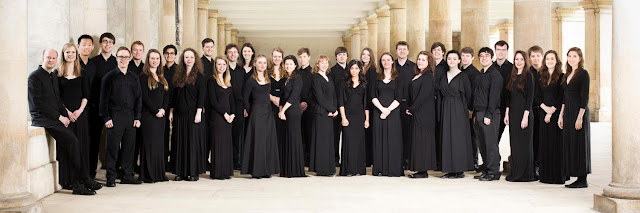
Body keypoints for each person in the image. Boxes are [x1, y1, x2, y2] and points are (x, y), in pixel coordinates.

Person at [29, 48, 100, 195]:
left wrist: (64, 113)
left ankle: (81, 180)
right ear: (42, 58)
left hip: (53, 118)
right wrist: (60, 117)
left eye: (53, 58)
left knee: (73, 143)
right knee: (72, 141)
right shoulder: (34, 77)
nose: (51, 60)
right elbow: (38, 103)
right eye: (48, 57)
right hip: (43, 119)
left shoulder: (51, 76)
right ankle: (80, 181)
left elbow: (57, 100)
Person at [100, 46, 143, 187]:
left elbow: (138, 99)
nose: (123, 59)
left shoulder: (134, 78)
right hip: (114, 116)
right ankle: (111, 177)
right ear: (116, 58)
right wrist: (106, 118)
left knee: (129, 148)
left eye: (126, 57)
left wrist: (137, 117)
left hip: (130, 117)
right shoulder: (109, 77)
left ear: (129, 58)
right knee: (112, 149)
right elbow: (103, 100)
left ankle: (126, 175)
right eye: (120, 57)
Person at [169, 48, 207, 182]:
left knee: (192, 144)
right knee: (179, 143)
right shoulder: (178, 75)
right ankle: (180, 172)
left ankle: (193, 172)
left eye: (191, 57)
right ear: (183, 59)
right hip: (179, 115)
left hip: (193, 115)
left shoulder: (199, 77)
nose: (189, 59)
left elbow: (202, 96)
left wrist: (198, 113)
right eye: (186, 57)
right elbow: (174, 95)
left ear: (195, 59)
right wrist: (171, 110)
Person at [57, 43, 91, 189]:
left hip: (79, 115)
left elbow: (86, 95)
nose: (70, 55)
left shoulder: (82, 73)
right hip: (65, 116)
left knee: (81, 146)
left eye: (72, 52)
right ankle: (68, 180)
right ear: (63, 55)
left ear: (76, 54)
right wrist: (67, 112)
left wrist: (79, 110)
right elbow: (57, 98)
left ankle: (81, 178)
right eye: (67, 52)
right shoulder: (57, 74)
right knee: (67, 148)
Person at [242, 54, 281, 179]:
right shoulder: (251, 80)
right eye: (260, 62)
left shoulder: (268, 79)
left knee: (267, 141)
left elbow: (267, 95)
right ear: (255, 64)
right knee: (257, 141)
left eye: (264, 63)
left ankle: (267, 169)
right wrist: (250, 111)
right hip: (256, 113)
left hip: (268, 112)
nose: (262, 65)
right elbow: (245, 98)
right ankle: (257, 171)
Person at [558, 47, 591, 188]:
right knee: (571, 143)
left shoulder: (583, 74)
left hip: (579, 112)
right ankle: (575, 174)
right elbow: (565, 98)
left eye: (574, 56)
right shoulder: (567, 74)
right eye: (569, 56)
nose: (571, 58)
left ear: (580, 58)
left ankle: (582, 178)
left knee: (580, 143)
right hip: (568, 112)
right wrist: (561, 115)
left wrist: (579, 118)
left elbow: (585, 97)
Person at [438, 50, 473, 179]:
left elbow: (468, 95)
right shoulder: (443, 76)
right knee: (447, 137)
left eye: (454, 59)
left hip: (459, 109)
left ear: (459, 61)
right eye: (449, 59)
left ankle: (459, 170)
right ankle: (449, 169)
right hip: (445, 108)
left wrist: (466, 110)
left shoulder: (463, 76)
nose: (451, 61)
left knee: (458, 138)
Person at [504, 50, 536, 182]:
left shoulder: (528, 76)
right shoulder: (511, 76)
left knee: (525, 145)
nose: (518, 62)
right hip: (513, 114)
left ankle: (526, 174)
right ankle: (516, 172)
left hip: (525, 114)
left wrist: (525, 117)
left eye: (521, 59)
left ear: (525, 61)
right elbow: (508, 97)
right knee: (515, 144)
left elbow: (530, 98)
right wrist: (507, 114)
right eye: (516, 59)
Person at [88, 32, 117, 179]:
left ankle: (112, 172)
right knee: (94, 140)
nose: (107, 44)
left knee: (113, 141)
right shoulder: (93, 62)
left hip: (112, 109)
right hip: (95, 108)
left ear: (113, 45)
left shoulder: (116, 62)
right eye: (105, 41)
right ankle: (91, 172)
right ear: (100, 44)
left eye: (110, 42)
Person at [139, 49, 170, 183]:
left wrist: (163, 109)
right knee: (149, 145)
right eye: (152, 58)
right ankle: (148, 175)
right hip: (149, 116)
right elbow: (144, 97)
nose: (155, 61)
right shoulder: (143, 77)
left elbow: (166, 96)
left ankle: (159, 174)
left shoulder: (162, 77)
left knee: (158, 145)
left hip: (160, 117)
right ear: (148, 60)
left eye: (157, 58)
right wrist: (155, 111)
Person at [371, 52, 403, 177]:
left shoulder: (398, 78)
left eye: (388, 60)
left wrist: (388, 110)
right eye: (383, 60)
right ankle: (380, 169)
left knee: (393, 141)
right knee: (379, 141)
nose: (386, 62)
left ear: (392, 62)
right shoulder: (376, 77)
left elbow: (399, 97)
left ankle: (392, 169)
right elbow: (372, 96)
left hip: (393, 113)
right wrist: (382, 109)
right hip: (378, 113)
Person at [473, 47, 503, 181]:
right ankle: (486, 169)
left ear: (491, 57)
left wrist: (488, 115)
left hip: (489, 114)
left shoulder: (495, 75)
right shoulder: (480, 74)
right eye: (481, 56)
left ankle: (493, 172)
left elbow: (494, 97)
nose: (483, 58)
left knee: (491, 144)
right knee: (482, 144)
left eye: (486, 56)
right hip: (478, 113)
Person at [535, 50, 565, 184]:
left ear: (557, 61)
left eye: (552, 59)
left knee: (556, 144)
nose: (550, 61)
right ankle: (546, 176)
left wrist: (551, 111)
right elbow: (537, 96)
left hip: (557, 113)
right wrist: (545, 109)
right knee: (545, 144)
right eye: (547, 59)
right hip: (543, 112)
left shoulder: (562, 76)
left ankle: (557, 176)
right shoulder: (541, 76)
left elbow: (562, 96)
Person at [406, 51, 437, 178]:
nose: (420, 62)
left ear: (429, 62)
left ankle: (423, 171)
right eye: (419, 59)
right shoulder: (418, 75)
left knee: (423, 141)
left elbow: (422, 96)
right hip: (417, 112)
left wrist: (412, 109)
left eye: (423, 60)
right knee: (417, 141)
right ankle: (418, 169)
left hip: (424, 114)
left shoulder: (428, 77)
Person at [338, 59, 369, 176]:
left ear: (360, 69)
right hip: (348, 115)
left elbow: (366, 103)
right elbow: (340, 102)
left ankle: (358, 169)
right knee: (348, 142)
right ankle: (348, 170)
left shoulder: (364, 84)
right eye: (352, 68)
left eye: (356, 68)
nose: (354, 70)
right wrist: (343, 118)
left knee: (359, 142)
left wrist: (367, 119)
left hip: (360, 116)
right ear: (349, 69)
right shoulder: (343, 83)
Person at [278, 55, 307, 178]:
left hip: (293, 111)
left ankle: (294, 170)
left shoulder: (297, 78)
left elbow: (294, 96)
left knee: (293, 138)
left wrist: (283, 110)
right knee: (287, 138)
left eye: (291, 64)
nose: (288, 66)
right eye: (286, 64)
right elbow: (282, 96)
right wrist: (281, 110)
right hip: (285, 112)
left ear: (295, 65)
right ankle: (286, 168)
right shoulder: (286, 78)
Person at [207, 56, 235, 180]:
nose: (221, 67)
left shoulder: (227, 81)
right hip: (217, 117)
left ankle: (226, 172)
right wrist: (225, 114)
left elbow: (232, 100)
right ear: (215, 66)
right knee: (218, 144)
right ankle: (218, 173)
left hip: (228, 118)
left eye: (223, 64)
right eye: (219, 64)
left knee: (226, 144)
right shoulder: (211, 81)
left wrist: (232, 114)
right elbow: (213, 101)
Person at [309, 55, 338, 176]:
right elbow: (320, 98)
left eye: (326, 62)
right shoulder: (316, 78)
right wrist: (331, 109)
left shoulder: (329, 78)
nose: (325, 65)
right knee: (321, 141)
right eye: (322, 63)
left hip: (330, 114)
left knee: (328, 141)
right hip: (321, 113)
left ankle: (329, 168)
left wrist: (335, 109)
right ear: (317, 65)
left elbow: (333, 95)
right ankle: (321, 169)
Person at [394, 41, 416, 168]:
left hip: (408, 105)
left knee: (408, 133)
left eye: (404, 49)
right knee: (395, 132)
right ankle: (397, 159)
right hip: (393, 105)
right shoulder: (392, 66)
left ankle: (407, 159)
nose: (402, 51)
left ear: (408, 51)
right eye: (399, 49)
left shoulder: (413, 67)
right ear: (396, 51)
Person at [460, 47, 481, 171]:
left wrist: (471, 109)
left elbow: (475, 93)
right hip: (459, 108)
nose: (464, 58)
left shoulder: (475, 73)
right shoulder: (460, 70)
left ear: (472, 58)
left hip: (469, 109)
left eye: (467, 56)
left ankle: (474, 161)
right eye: (463, 56)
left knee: (472, 135)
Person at [492, 41, 513, 152]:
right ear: (495, 51)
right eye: (498, 50)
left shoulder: (512, 68)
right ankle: (492, 164)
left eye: (503, 50)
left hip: (509, 106)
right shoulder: (490, 67)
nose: (501, 52)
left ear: (507, 51)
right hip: (494, 107)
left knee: (514, 137)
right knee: (493, 138)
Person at [329, 47, 349, 166]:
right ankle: (336, 158)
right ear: (336, 57)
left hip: (349, 106)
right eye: (339, 55)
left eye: (344, 54)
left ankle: (346, 158)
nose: (342, 56)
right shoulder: (331, 71)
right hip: (336, 107)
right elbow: (331, 92)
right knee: (335, 134)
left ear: (347, 56)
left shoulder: (351, 69)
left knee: (348, 134)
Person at [227, 44, 245, 170]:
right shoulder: (223, 68)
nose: (233, 54)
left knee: (236, 134)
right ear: (227, 54)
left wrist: (244, 107)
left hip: (239, 105)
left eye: (235, 52)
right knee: (225, 133)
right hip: (226, 104)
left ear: (238, 54)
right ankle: (226, 161)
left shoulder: (241, 70)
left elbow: (244, 90)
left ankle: (235, 160)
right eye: (230, 52)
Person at [431, 42, 447, 170]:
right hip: (429, 101)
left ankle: (441, 161)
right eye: (434, 50)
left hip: (441, 101)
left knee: (441, 130)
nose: (436, 52)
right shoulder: (429, 65)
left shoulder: (446, 66)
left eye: (439, 50)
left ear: (443, 52)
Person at [528, 45, 544, 177]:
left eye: (538, 55)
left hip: (545, 111)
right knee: (533, 139)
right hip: (532, 110)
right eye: (533, 56)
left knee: (543, 140)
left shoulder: (547, 72)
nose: (535, 58)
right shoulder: (528, 73)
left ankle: (542, 164)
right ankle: (534, 166)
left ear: (542, 57)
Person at [162, 44, 178, 171]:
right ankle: (163, 162)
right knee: (164, 134)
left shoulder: (179, 70)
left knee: (176, 135)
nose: (169, 55)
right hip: (162, 106)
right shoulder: (160, 70)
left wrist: (173, 108)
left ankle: (174, 163)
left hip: (176, 106)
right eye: (167, 53)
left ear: (175, 55)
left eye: (172, 53)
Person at [361, 47, 377, 167]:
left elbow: (371, 88)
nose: (365, 56)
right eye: (363, 54)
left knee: (368, 132)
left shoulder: (371, 70)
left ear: (371, 57)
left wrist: (367, 104)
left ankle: (368, 159)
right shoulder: (361, 68)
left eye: (367, 54)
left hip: (368, 105)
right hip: (361, 103)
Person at [298, 47, 313, 166]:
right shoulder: (295, 73)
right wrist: (299, 103)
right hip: (296, 107)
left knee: (309, 133)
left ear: (309, 57)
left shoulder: (313, 73)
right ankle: (301, 159)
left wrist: (306, 103)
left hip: (309, 108)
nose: (302, 59)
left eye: (304, 56)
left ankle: (308, 160)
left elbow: (313, 91)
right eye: (300, 57)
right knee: (299, 134)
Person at [269, 48, 287, 143]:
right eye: (275, 56)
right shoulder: (266, 72)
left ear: (282, 58)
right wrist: (272, 98)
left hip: (283, 105)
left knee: (282, 131)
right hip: (270, 105)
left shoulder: (286, 72)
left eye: (279, 56)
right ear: (271, 57)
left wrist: (281, 102)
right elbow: (261, 88)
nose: (277, 58)